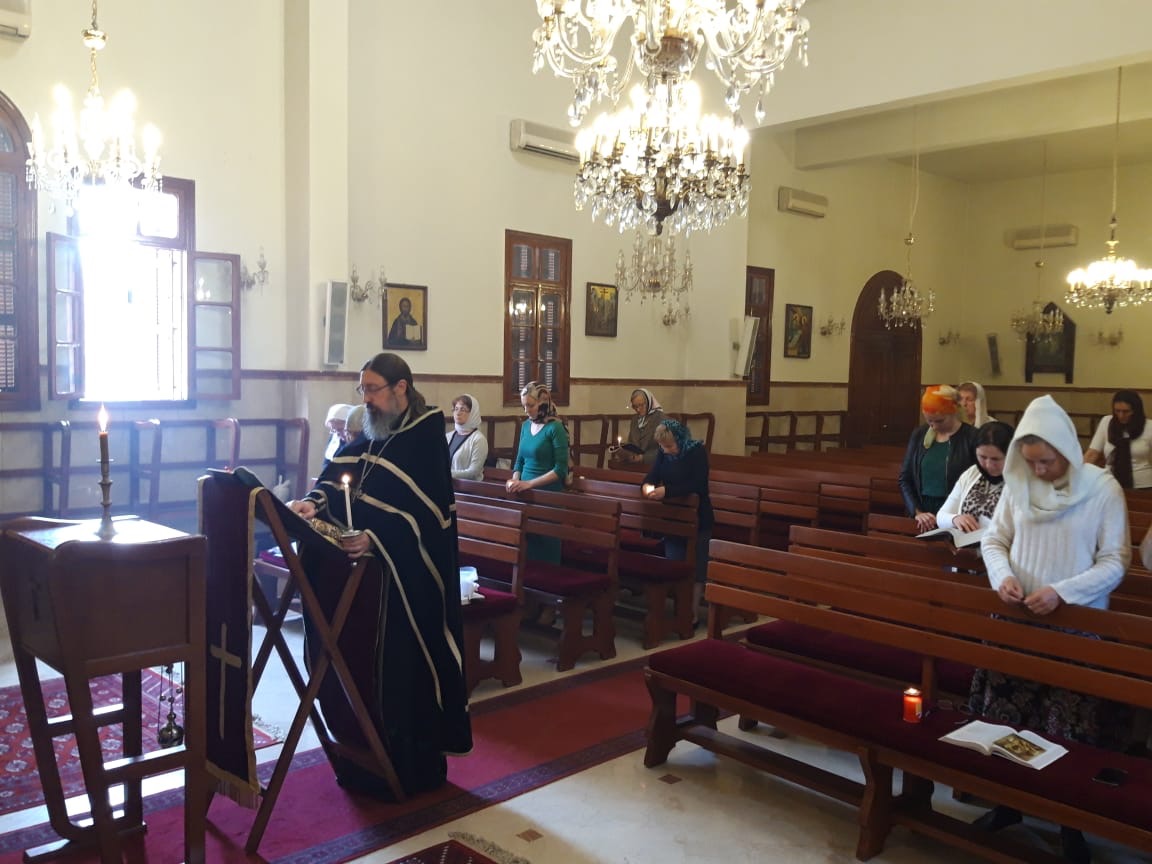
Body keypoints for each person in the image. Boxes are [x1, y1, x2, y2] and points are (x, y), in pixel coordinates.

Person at [289, 352, 471, 799]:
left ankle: (407, 766)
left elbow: (429, 516)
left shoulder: (425, 436)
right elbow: (341, 473)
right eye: (362, 390)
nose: (365, 399)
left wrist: (376, 536)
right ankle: (360, 753)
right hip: (366, 582)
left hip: (406, 583)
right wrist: (314, 502)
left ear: (400, 388)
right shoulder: (373, 430)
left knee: (399, 673)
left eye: (372, 389)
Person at [971, 395, 1130, 862]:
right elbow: (995, 540)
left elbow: (1115, 560)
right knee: (1010, 722)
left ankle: (1069, 824)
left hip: (1076, 627)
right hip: (1016, 622)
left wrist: (1062, 593)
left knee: (1068, 732)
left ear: (1067, 450)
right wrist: (1002, 576)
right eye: (1031, 461)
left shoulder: (1102, 488)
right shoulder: (1018, 482)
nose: (1038, 470)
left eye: (1047, 461)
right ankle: (1009, 804)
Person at [642, 418, 712, 626]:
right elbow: (652, 476)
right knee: (674, 564)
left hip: (699, 517)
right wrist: (647, 487)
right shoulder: (663, 453)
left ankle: (691, 613)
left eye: (670, 446)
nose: (666, 450)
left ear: (680, 439)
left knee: (697, 568)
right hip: (674, 518)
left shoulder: (696, 451)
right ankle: (678, 610)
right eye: (662, 447)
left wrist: (667, 491)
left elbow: (699, 484)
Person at [898, 385, 980, 532]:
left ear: (954, 412)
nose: (934, 426)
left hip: (957, 516)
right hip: (922, 516)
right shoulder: (920, 434)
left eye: (939, 421)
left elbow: (977, 483)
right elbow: (905, 478)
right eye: (929, 421)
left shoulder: (972, 437)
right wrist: (917, 512)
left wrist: (955, 516)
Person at [507, 381, 570, 562]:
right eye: (523, 406)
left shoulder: (555, 427)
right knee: (526, 550)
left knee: (545, 551)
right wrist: (515, 479)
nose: (526, 410)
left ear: (543, 402)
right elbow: (519, 460)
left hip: (548, 496)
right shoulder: (526, 426)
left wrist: (529, 484)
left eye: (530, 405)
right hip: (525, 495)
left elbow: (560, 469)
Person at [935, 421, 1013, 534]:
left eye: (995, 459)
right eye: (982, 457)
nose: (988, 465)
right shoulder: (973, 473)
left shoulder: (1022, 481)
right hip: (964, 543)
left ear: (1011, 455)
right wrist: (955, 519)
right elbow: (941, 516)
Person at [1083, 389, 1152, 489]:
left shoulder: (1149, 426)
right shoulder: (1106, 422)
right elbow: (1092, 453)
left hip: (1142, 485)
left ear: (1136, 410)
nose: (1121, 415)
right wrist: (1078, 475)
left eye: (1126, 411)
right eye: (1117, 411)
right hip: (1110, 483)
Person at [609, 388, 665, 464]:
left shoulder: (661, 419)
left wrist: (643, 458)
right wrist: (623, 451)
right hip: (635, 464)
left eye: (641, 405)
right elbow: (631, 443)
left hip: (654, 465)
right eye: (635, 406)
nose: (638, 409)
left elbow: (666, 450)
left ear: (649, 402)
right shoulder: (635, 420)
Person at [446, 393, 488, 480]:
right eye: (456, 409)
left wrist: (445, 474)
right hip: (447, 484)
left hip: (468, 487)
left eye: (463, 409)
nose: (458, 413)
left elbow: (473, 472)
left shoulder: (479, 440)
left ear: (473, 413)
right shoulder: (448, 436)